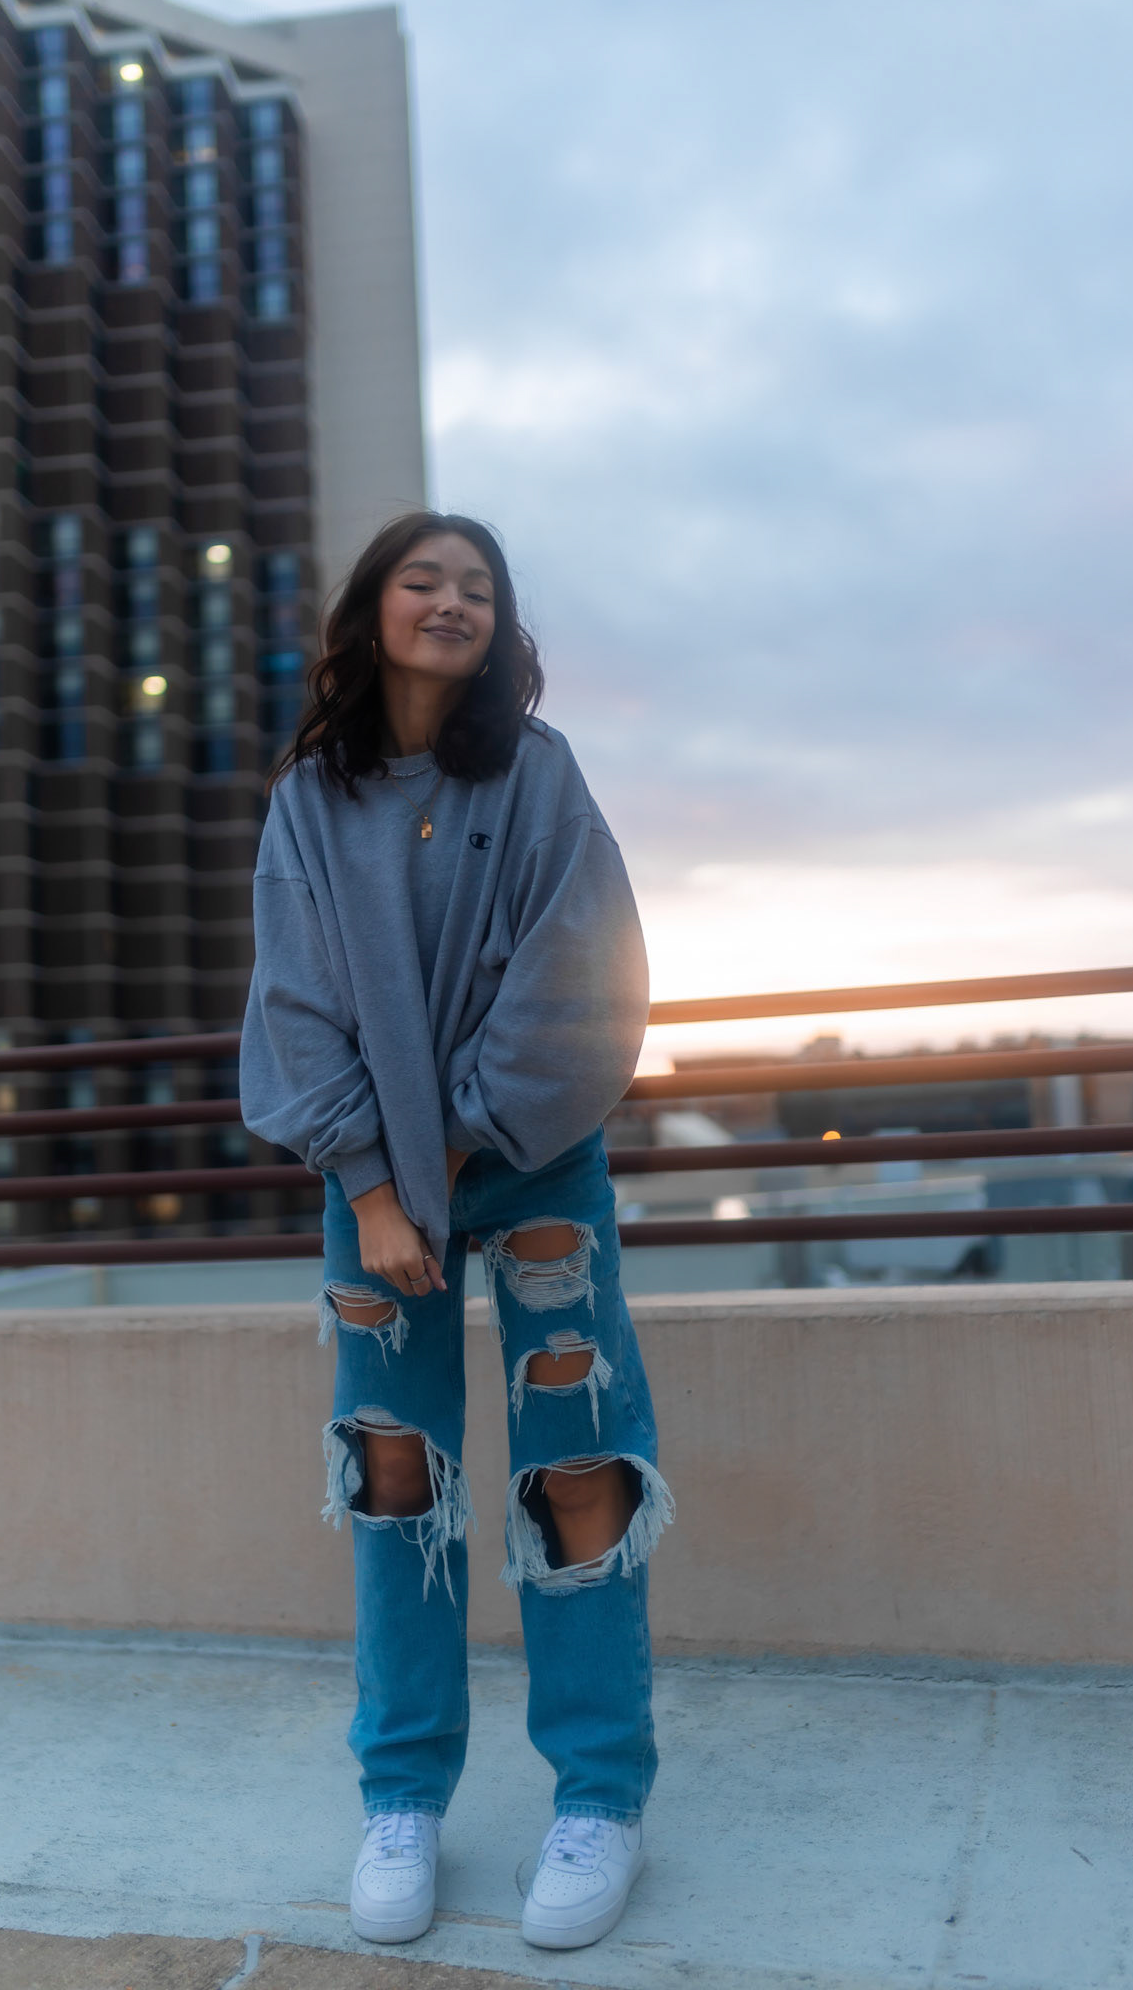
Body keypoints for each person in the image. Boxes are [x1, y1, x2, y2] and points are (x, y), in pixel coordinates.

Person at [240, 510, 673, 1953]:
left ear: (500, 625)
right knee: (394, 1481)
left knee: (580, 1475)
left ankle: (599, 1796)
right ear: (373, 611)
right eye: (423, 580)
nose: (451, 601)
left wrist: (464, 1132)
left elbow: (586, 972)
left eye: (477, 586)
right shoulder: (312, 797)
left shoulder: (539, 774)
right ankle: (402, 1797)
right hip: (370, 1182)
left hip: (533, 1160)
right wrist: (376, 1184)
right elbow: (296, 1000)